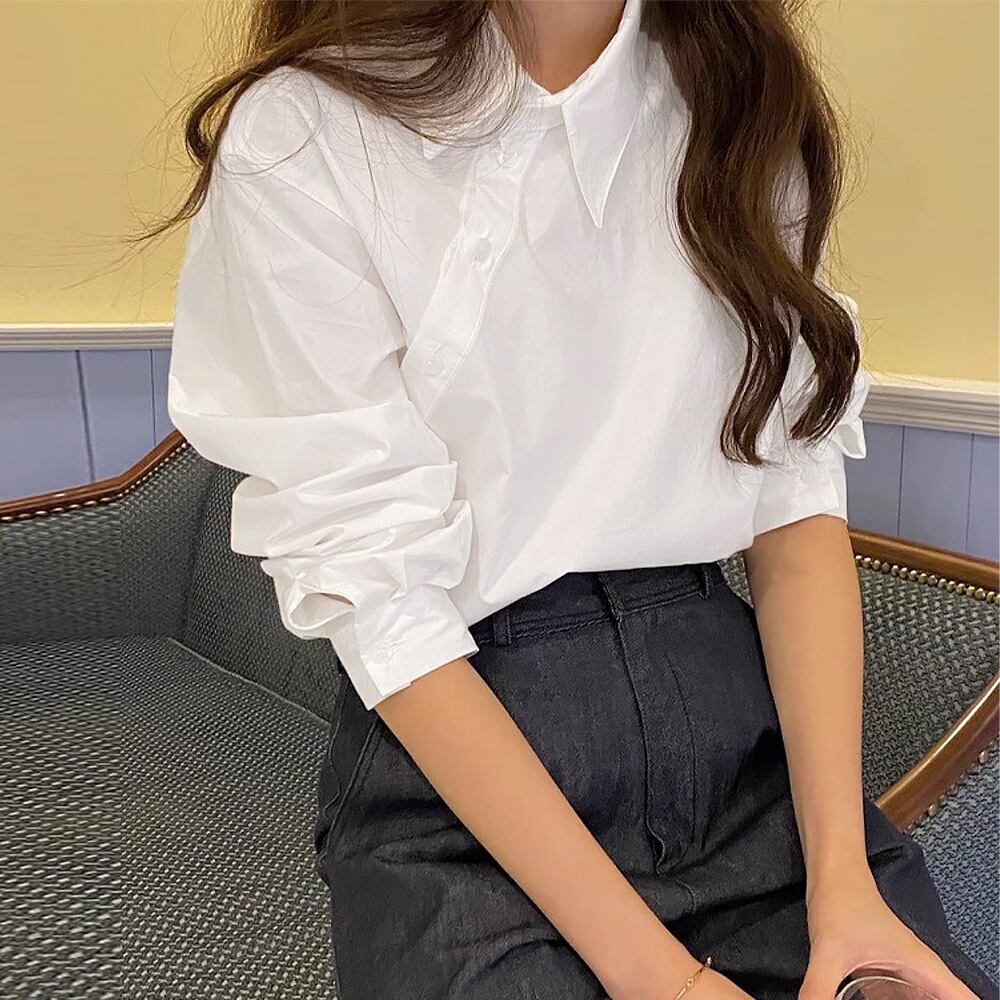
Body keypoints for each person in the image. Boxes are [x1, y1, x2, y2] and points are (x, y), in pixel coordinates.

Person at [155, 2, 998, 999]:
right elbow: (382, 598)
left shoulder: (739, 95)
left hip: (750, 761)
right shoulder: (309, 126)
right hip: (467, 769)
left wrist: (845, 883)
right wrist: (661, 977)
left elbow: (795, 514)